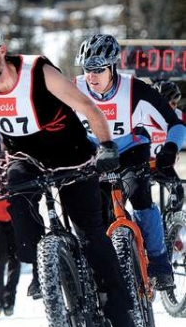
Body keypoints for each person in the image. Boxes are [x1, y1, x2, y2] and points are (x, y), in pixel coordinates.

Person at [0, 26, 137, 327]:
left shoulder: (38, 71)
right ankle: (49, 265)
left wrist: (108, 147)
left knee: (91, 236)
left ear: (2, 49)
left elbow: (90, 109)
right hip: (26, 159)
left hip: (72, 154)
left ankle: (121, 316)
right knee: (22, 225)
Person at [74, 33, 186, 290]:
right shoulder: (75, 89)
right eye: (87, 69)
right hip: (94, 153)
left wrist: (170, 148)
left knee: (139, 195)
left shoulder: (135, 90)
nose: (91, 76)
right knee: (95, 211)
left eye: (98, 70)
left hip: (131, 148)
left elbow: (175, 123)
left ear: (112, 67)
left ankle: (159, 263)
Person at [150, 80, 185, 210]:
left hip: (163, 165)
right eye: (168, 103)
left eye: (174, 103)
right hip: (140, 164)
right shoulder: (142, 113)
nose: (172, 107)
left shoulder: (178, 116)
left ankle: (172, 225)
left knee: (178, 193)